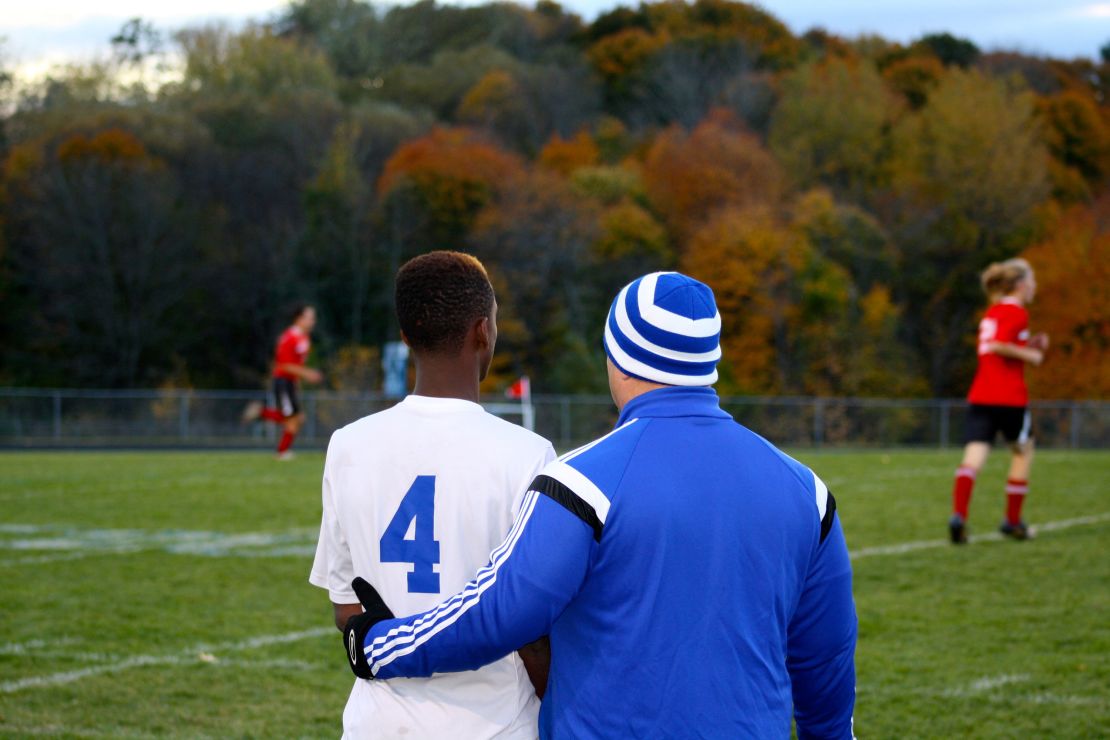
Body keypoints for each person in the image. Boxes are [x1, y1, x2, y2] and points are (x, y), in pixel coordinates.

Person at [341, 272, 857, 739]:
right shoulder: (806, 491)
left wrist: (381, 645)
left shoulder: (584, 481)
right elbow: (826, 660)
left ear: (618, 355)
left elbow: (501, 613)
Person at [310, 251, 556, 738]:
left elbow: (347, 608)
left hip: (379, 723)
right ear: (482, 330)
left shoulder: (348, 444)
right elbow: (533, 626)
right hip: (493, 723)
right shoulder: (529, 454)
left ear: (406, 336)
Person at [949, 258, 1048, 544]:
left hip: (982, 394)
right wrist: (1033, 356)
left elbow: (998, 346)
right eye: (1032, 280)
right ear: (1020, 284)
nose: (1034, 286)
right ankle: (1013, 522)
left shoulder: (993, 311)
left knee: (973, 458)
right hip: (1009, 398)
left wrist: (1027, 346)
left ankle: (959, 516)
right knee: (1023, 452)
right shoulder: (1016, 312)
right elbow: (999, 345)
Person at [242, 303, 323, 460]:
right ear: (299, 319)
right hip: (283, 382)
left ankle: (281, 448)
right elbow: (284, 365)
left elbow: (296, 365)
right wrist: (308, 373)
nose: (313, 321)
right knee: (293, 420)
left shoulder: (303, 338)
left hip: (290, 383)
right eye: (310, 318)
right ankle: (281, 450)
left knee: (296, 419)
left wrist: (298, 383)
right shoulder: (289, 337)